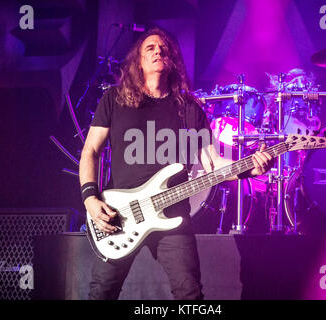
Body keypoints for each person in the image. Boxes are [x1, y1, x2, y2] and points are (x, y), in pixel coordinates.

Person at [79, 26, 273, 300]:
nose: (159, 51)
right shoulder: (114, 99)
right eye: (151, 48)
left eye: (164, 49)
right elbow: (90, 152)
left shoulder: (189, 108)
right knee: (101, 293)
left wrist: (249, 168)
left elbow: (213, 163)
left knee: (190, 296)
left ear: (172, 61)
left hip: (172, 215)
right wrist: (89, 198)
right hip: (121, 215)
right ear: (139, 61)